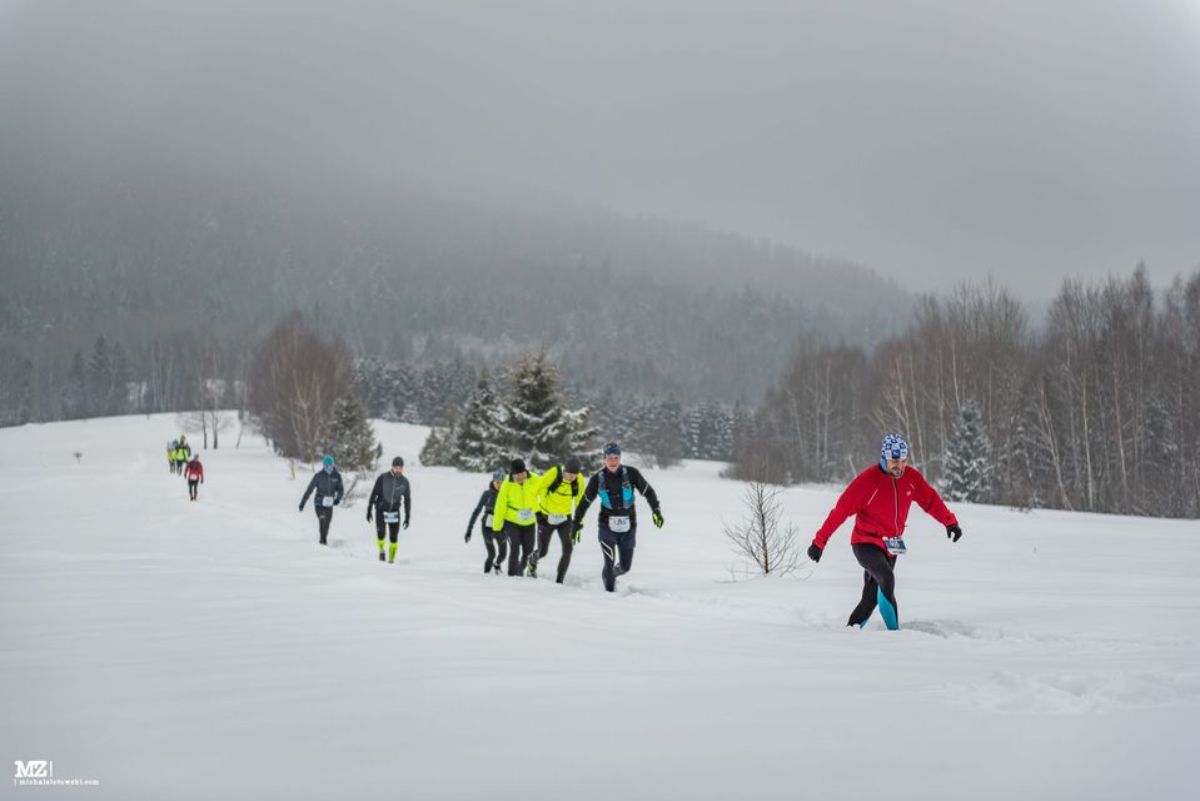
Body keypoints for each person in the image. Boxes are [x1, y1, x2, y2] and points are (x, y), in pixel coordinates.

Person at [806, 433, 962, 631]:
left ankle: (848, 633)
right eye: (894, 461)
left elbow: (930, 500)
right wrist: (819, 542)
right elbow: (840, 511)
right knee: (887, 579)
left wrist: (950, 522)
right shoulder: (867, 482)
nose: (900, 466)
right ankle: (895, 635)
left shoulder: (911, 478)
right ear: (884, 458)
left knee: (870, 599)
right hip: (865, 543)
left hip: (891, 545)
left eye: (904, 461)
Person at [572, 442, 663, 592]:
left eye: (616, 458)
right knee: (609, 563)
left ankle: (611, 575)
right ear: (604, 459)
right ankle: (609, 593)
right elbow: (584, 503)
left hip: (629, 526)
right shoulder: (597, 479)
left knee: (626, 566)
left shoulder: (632, 473)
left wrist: (656, 511)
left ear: (620, 458)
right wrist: (576, 524)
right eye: (609, 458)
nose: (613, 462)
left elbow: (649, 492)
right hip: (606, 526)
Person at [528, 456, 585, 583]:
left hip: (565, 518)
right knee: (543, 551)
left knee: (568, 549)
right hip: (546, 517)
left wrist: (580, 522)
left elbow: (579, 501)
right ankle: (532, 561)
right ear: (564, 470)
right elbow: (532, 492)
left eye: (573, 475)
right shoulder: (554, 473)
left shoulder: (579, 479)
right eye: (568, 474)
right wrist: (538, 513)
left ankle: (559, 580)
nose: (571, 477)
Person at [491, 458, 542, 576]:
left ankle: (520, 572)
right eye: (516, 475)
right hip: (512, 521)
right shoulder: (507, 485)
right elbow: (500, 507)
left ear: (526, 472)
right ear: (512, 474)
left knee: (528, 551)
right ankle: (512, 576)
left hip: (529, 522)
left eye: (522, 474)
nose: (519, 477)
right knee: (515, 549)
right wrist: (496, 528)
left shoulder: (534, 479)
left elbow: (547, 488)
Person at [367, 456, 411, 564]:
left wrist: (407, 517)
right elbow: (374, 494)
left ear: (402, 468)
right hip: (381, 510)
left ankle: (391, 560)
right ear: (392, 467)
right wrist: (369, 510)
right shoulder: (383, 478)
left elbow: (407, 500)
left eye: (400, 468)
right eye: (396, 467)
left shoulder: (404, 482)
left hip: (394, 512)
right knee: (381, 534)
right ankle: (381, 551)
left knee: (394, 538)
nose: (398, 469)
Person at [465, 469, 507, 574]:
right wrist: (469, 529)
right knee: (491, 554)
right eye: (496, 482)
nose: (499, 484)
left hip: (501, 527)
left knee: (503, 555)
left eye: (501, 482)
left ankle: (497, 565)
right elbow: (477, 511)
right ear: (493, 482)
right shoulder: (487, 494)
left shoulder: (507, 494)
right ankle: (486, 575)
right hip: (487, 527)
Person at [299, 455, 344, 545]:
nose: (328, 467)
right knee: (322, 519)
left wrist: (338, 499)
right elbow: (309, 490)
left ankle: (323, 538)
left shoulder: (337, 476)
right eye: (326, 465)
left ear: (333, 465)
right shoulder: (318, 476)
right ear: (323, 466)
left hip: (329, 504)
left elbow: (340, 489)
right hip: (319, 503)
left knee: (327, 524)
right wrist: (302, 503)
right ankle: (323, 541)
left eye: (330, 465)